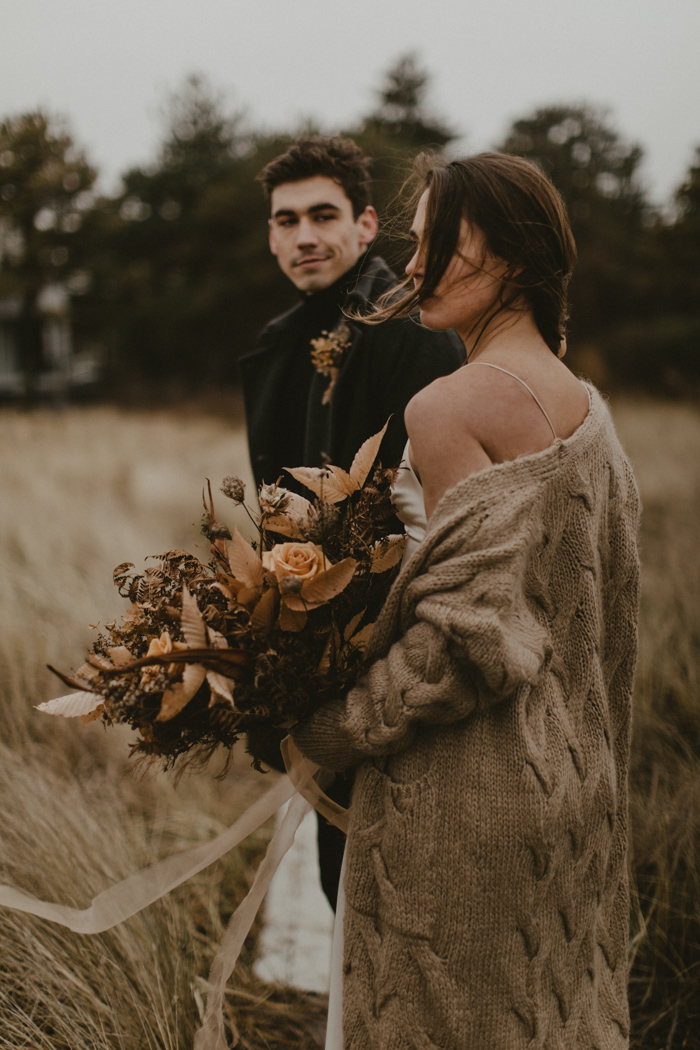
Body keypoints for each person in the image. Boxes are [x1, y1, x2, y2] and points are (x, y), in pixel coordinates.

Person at [292, 152, 640, 1049]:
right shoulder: (585, 408)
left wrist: (323, 731)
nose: (412, 267)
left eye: (441, 243)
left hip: (463, 807)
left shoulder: (448, 406)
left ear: (514, 258)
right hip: (571, 784)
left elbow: (468, 643)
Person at [238, 136, 464, 911]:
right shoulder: (276, 345)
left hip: (398, 656)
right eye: (287, 219)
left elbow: (438, 512)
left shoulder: (411, 331)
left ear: (366, 225)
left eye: (323, 215)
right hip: (316, 652)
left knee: (396, 886)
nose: (305, 236)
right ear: (270, 235)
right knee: (348, 878)